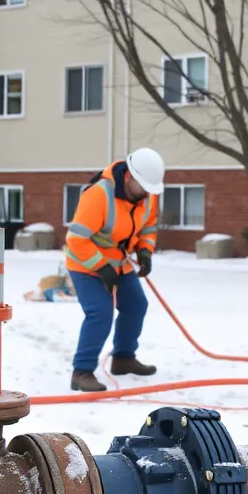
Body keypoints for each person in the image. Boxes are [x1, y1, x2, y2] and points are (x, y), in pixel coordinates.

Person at [64, 148, 164, 392]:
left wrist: (144, 251)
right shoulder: (98, 196)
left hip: (119, 263)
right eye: (144, 187)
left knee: (136, 306)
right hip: (85, 264)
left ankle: (123, 358)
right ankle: (82, 371)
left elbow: (149, 226)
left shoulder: (147, 195)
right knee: (100, 312)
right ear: (128, 177)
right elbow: (76, 240)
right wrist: (101, 267)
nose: (148, 194)